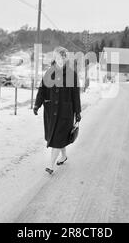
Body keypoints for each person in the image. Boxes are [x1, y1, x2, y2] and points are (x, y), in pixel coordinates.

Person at [33, 46, 81, 174]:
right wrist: (37, 104)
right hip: (51, 112)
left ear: (66, 59)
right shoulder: (49, 73)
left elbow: (75, 96)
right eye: (59, 57)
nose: (61, 59)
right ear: (55, 58)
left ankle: (51, 166)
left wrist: (78, 112)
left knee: (57, 138)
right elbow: (42, 90)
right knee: (58, 138)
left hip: (65, 112)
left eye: (64, 57)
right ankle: (64, 156)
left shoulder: (72, 74)